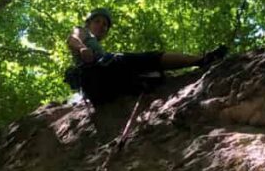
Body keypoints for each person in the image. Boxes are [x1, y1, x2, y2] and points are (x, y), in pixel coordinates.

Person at [65, 8, 227, 105]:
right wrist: (82, 49)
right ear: (89, 23)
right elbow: (72, 38)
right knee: (148, 58)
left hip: (104, 85)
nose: (101, 26)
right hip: (96, 76)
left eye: (105, 25)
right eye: (98, 21)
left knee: (153, 75)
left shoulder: (98, 46)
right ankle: (201, 60)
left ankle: (146, 80)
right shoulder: (83, 31)